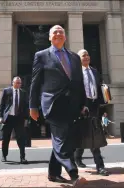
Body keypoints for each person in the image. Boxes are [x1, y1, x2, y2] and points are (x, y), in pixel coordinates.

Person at [29, 25, 88, 186]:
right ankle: (74, 174)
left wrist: (83, 104)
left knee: (65, 140)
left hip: (72, 105)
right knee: (62, 140)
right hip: (53, 105)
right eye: (54, 32)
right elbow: (35, 83)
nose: (58, 34)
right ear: (49, 37)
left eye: (61, 31)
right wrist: (32, 106)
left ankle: (53, 173)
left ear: (65, 37)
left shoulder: (75, 57)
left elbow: (79, 83)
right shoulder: (41, 56)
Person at [74, 49, 110, 176]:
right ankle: (77, 158)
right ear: (79, 59)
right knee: (83, 134)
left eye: (88, 54)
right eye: (83, 55)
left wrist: (105, 97)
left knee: (94, 136)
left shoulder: (95, 71)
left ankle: (100, 166)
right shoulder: (76, 73)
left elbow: (99, 87)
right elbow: (75, 92)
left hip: (94, 106)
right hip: (83, 107)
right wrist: (80, 106)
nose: (86, 57)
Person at [0, 76, 28, 164]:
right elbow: (2, 105)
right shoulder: (6, 91)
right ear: (13, 83)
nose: (19, 84)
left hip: (19, 118)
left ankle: (22, 158)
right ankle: (4, 156)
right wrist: (0, 117)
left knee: (21, 139)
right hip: (8, 118)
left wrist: (26, 118)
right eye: (17, 83)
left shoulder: (23, 92)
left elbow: (25, 106)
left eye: (20, 83)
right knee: (6, 138)